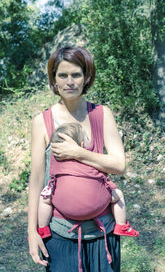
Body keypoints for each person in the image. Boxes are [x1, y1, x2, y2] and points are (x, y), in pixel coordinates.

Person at [28, 46, 127, 272]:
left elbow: (119, 165)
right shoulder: (41, 121)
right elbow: (35, 180)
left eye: (76, 74)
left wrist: (78, 152)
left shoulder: (102, 114)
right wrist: (31, 232)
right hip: (60, 237)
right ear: (54, 80)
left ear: (87, 77)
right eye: (62, 75)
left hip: (103, 236)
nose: (69, 81)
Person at [38, 122, 139, 238]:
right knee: (118, 195)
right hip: (95, 205)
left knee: (44, 198)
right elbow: (102, 177)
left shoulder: (57, 162)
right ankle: (121, 225)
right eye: (87, 138)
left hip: (64, 205)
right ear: (81, 144)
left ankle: (43, 228)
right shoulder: (90, 159)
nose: (89, 140)